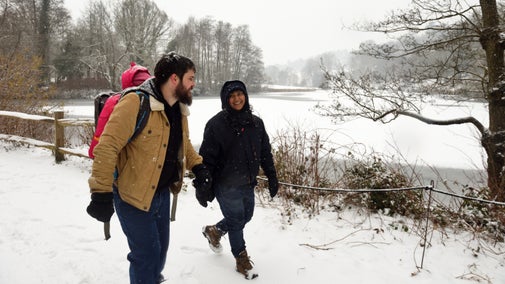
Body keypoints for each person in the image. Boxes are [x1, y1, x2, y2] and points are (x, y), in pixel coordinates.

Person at [87, 52, 212, 284]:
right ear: (174, 79)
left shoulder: (178, 108)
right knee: (146, 256)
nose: (194, 83)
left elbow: (184, 145)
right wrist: (100, 193)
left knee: (160, 253)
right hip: (132, 196)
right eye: (191, 78)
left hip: (162, 194)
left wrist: (200, 169)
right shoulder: (135, 102)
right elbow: (107, 147)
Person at [196, 80, 278, 280]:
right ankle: (241, 259)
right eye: (232, 96)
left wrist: (272, 175)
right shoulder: (216, 124)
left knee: (245, 216)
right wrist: (203, 185)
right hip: (225, 183)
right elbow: (207, 157)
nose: (236, 99)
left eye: (239, 94)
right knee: (235, 221)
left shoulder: (256, 123)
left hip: (248, 181)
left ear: (246, 96)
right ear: (225, 100)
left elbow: (265, 152)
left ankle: (214, 231)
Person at [88, 62, 151, 159]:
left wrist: (95, 152)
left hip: (122, 158)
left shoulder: (115, 100)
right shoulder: (157, 100)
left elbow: (103, 128)